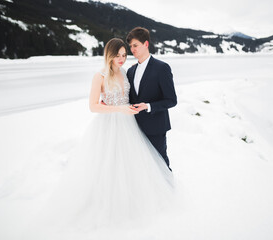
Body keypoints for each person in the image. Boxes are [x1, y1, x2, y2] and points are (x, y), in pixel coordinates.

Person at [23, 38, 175, 239]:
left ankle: (131, 203)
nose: (121, 59)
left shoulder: (125, 72)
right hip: (108, 126)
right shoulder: (99, 76)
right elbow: (93, 106)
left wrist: (136, 107)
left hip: (129, 126)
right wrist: (117, 108)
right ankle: (104, 206)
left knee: (129, 165)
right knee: (106, 166)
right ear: (109, 55)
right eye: (117, 55)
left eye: (124, 55)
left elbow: (131, 97)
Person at [126, 27, 177, 171]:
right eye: (130, 46)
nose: (132, 49)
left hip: (156, 127)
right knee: (142, 166)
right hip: (135, 128)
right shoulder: (131, 70)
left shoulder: (162, 68)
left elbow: (171, 100)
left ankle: (170, 191)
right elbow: (130, 97)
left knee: (160, 164)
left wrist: (148, 106)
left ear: (146, 44)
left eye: (135, 45)